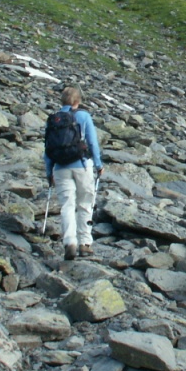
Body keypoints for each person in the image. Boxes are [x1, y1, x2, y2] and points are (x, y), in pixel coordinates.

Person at [44, 86, 104, 261]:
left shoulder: (53, 119)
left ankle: (69, 242)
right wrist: (99, 164)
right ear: (78, 101)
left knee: (67, 205)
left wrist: (49, 172)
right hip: (82, 165)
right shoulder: (84, 116)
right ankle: (85, 243)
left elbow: (47, 148)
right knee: (85, 202)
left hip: (60, 167)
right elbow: (92, 143)